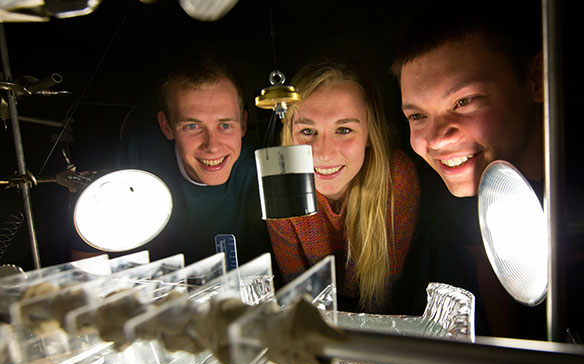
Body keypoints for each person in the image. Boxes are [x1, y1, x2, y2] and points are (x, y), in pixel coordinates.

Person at [390, 1, 546, 340]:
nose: (436, 139)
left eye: (464, 101)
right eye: (417, 116)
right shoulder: (440, 211)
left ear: (537, 79)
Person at [71, 53, 272, 267]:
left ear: (243, 123)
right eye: (192, 126)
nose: (212, 145)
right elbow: (88, 260)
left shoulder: (268, 168)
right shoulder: (136, 159)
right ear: (166, 126)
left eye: (225, 125)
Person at [267, 60, 420, 314]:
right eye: (307, 130)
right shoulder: (281, 184)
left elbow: (379, 294)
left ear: (370, 133)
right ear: (289, 135)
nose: (324, 154)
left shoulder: (396, 177)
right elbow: (299, 291)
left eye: (344, 129)